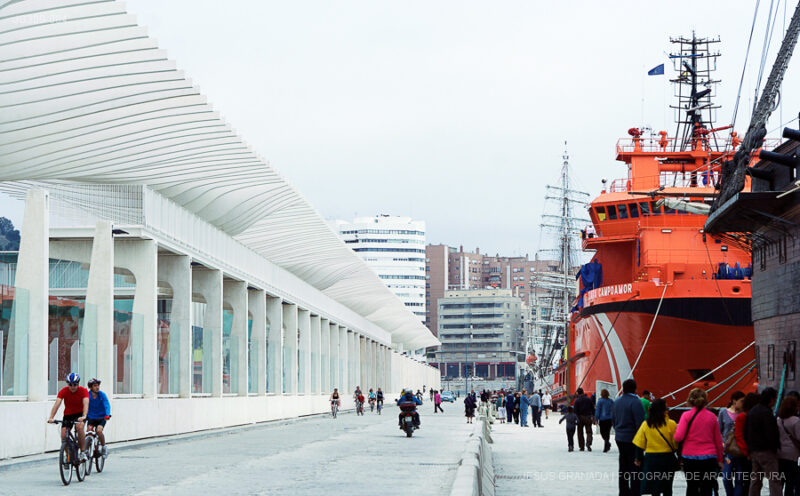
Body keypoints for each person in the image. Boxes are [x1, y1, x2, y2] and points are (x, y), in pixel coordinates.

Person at [673, 387, 723, 496]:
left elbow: (678, 437)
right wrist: (720, 460)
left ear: (690, 400)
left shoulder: (686, 416)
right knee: (707, 488)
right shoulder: (712, 417)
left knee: (692, 486)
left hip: (690, 457)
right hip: (709, 457)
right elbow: (718, 441)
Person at [633, 399, 678, 496]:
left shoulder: (646, 424)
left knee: (654, 488)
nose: (668, 410)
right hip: (667, 459)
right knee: (667, 487)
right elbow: (676, 443)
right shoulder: (672, 424)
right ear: (663, 411)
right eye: (666, 408)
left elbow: (639, 443)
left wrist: (638, 458)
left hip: (651, 460)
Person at [745, 387, 781, 496]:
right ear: (771, 399)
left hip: (754, 450)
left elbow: (746, 431)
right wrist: (774, 447)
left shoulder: (752, 411)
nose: (775, 401)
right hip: (766, 451)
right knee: (774, 480)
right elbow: (771, 433)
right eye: (775, 398)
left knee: (756, 479)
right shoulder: (766, 413)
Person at [47, 372, 90, 461]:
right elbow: (57, 404)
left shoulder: (83, 391)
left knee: (79, 427)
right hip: (68, 415)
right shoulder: (63, 391)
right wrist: (51, 417)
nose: (72, 387)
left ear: (78, 384)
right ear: (67, 384)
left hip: (80, 414)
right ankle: (68, 455)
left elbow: (86, 403)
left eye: (75, 384)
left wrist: (84, 415)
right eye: (70, 384)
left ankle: (82, 451)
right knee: (63, 436)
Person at [615, 378, 646, 496]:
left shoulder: (617, 401)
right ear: (635, 389)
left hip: (620, 438)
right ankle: (635, 492)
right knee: (635, 468)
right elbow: (640, 423)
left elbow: (614, 420)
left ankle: (623, 491)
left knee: (623, 466)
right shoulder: (636, 401)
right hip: (633, 439)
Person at [718, 391, 745, 496]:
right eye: (741, 401)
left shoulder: (743, 414)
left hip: (740, 450)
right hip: (727, 451)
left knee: (740, 478)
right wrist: (721, 444)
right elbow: (718, 430)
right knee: (726, 477)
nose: (743, 403)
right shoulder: (723, 413)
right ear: (734, 401)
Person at [777, 395, 800, 496]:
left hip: (779, 453)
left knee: (780, 481)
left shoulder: (778, 419)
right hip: (792, 454)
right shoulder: (796, 421)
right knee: (790, 482)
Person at [86, 378, 111, 458]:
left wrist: (108, 414)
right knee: (88, 432)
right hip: (91, 417)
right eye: (95, 386)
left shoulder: (102, 395)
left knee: (99, 431)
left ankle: (104, 447)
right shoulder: (87, 395)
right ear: (90, 387)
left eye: (98, 385)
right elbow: (83, 404)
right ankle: (86, 451)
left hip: (101, 418)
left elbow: (107, 405)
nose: (97, 387)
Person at [596, 388, 615, 453]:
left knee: (602, 432)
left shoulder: (600, 401)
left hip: (602, 419)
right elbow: (614, 410)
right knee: (607, 432)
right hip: (609, 419)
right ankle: (607, 443)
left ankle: (606, 445)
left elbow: (598, 410)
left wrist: (596, 419)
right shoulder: (611, 401)